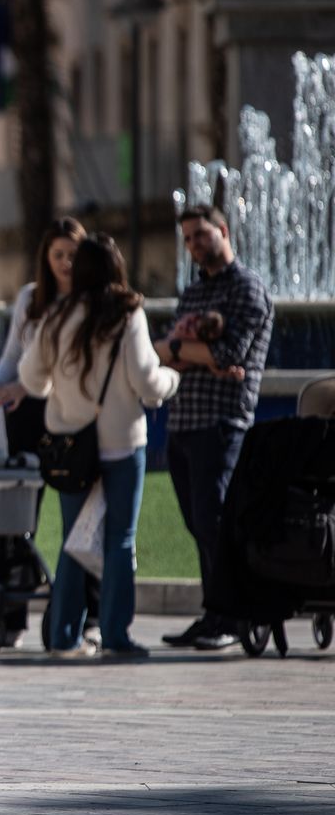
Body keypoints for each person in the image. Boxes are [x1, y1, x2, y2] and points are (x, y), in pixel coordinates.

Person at [19, 233, 181, 658]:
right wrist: (172, 380)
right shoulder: (128, 313)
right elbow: (147, 380)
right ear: (117, 268)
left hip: (73, 446)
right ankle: (115, 635)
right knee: (119, 541)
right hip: (122, 446)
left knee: (74, 541)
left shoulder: (57, 314)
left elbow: (31, 378)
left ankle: (62, 637)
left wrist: (64, 392)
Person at [158, 205, 273, 651]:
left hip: (222, 422)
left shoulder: (246, 287)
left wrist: (190, 351)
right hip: (183, 420)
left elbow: (231, 354)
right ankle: (214, 611)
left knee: (214, 521)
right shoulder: (193, 293)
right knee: (197, 523)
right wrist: (193, 350)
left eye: (202, 235)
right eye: (188, 238)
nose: (195, 245)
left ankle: (230, 615)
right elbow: (167, 353)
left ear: (223, 231)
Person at [0, 217, 86, 646]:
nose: (65, 263)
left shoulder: (90, 302)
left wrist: (24, 384)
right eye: (57, 255)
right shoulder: (31, 298)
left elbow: (78, 369)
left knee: (80, 516)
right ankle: (12, 616)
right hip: (26, 414)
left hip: (71, 416)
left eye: (72, 255)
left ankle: (83, 616)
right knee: (17, 515)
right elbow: (13, 355)